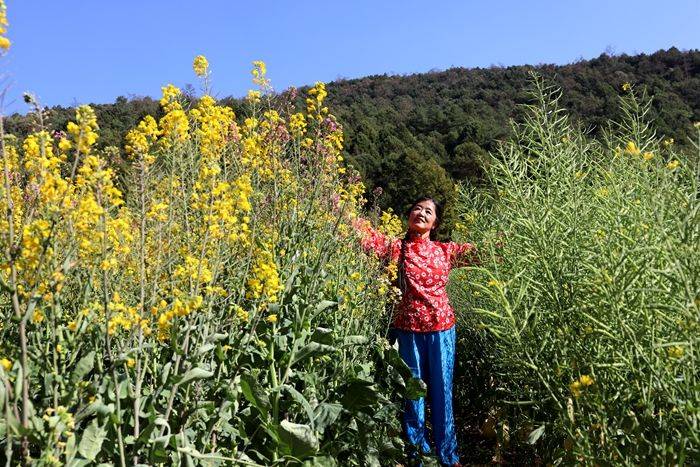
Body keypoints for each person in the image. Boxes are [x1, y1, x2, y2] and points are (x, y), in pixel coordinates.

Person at [352, 196, 478, 467]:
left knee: (443, 394)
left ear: (435, 222)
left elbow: (484, 252)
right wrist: (334, 199)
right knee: (413, 394)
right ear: (409, 216)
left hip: (442, 330)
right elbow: (362, 234)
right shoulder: (396, 248)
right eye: (417, 209)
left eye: (428, 211)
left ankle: (448, 457)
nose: (421, 213)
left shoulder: (445, 251)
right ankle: (415, 455)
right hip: (407, 331)